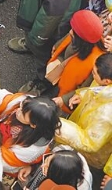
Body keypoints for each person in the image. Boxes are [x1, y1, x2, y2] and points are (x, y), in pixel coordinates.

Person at [55, 53, 112, 181]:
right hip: (80, 126)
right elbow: (95, 91)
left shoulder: (107, 114)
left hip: (91, 156)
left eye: (94, 73)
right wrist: (81, 95)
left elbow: (89, 143)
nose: (92, 74)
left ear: (107, 81)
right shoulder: (105, 85)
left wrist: (58, 125)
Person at [0, 89, 62, 175]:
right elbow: (6, 98)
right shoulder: (29, 104)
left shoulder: (31, 149)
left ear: (33, 125)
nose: (18, 111)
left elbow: (2, 161)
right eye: (21, 106)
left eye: (22, 114)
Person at [48, 9, 106, 108]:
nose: (70, 32)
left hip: (67, 99)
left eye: (73, 31)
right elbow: (65, 42)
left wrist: (64, 100)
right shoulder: (82, 34)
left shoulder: (96, 63)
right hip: (61, 78)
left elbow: (85, 89)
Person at [17, 146, 91, 190]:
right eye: (46, 160)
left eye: (47, 168)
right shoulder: (63, 151)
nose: (42, 166)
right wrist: (32, 168)